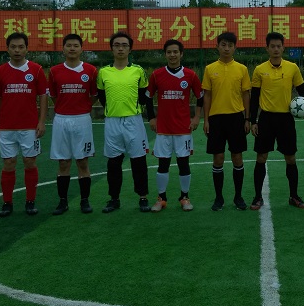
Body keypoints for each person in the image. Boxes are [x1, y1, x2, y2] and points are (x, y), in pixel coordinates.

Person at [249, 32, 304, 210]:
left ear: (283, 48)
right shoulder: (259, 69)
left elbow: (302, 89)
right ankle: (257, 197)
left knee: (291, 158)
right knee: (261, 157)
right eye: (272, 46)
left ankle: (294, 196)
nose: (276, 49)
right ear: (267, 48)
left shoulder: (292, 68)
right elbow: (254, 97)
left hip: (286, 119)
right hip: (266, 118)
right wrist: (253, 120)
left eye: (279, 46)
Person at [0, 32, 49, 217]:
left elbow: (43, 97)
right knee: (9, 164)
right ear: (7, 49)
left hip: (30, 127)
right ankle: (7, 203)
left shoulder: (36, 70)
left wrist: (41, 122)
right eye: (13, 47)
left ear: (27, 49)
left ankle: (30, 202)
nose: (17, 50)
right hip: (6, 128)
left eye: (21, 47)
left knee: (30, 162)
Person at [97, 31, 154, 213]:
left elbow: (144, 96)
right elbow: (102, 96)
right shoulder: (103, 72)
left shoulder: (138, 71)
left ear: (130, 49)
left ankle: (143, 197)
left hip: (133, 121)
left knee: (138, 160)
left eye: (124, 45)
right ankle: (114, 199)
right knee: (114, 162)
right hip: (112, 122)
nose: (120, 48)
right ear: (111, 48)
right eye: (117, 45)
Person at [145, 39, 203, 212]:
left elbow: (200, 97)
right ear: (165, 54)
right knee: (163, 164)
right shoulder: (157, 75)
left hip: (183, 128)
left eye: (175, 52)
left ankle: (184, 197)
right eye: (169, 52)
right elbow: (148, 97)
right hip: (163, 128)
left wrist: (196, 117)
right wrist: (151, 118)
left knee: (183, 163)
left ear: (181, 54)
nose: (172, 55)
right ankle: (161, 198)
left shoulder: (190, 75)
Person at [48, 34, 98, 215]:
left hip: (82, 119)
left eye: (75, 45)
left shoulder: (91, 70)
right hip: (61, 119)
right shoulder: (54, 71)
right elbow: (54, 96)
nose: (72, 48)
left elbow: (94, 95)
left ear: (81, 49)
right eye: (68, 45)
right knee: (63, 162)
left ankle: (85, 201)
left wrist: (82, 107)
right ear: (63, 49)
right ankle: (63, 202)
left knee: (83, 161)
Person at [202, 31, 251, 211]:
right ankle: (219, 198)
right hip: (216, 119)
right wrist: (206, 120)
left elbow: (246, 94)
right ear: (217, 46)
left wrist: (247, 118)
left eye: (230, 45)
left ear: (235, 48)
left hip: (236, 117)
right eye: (223, 45)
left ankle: (238, 197)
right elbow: (207, 95)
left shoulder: (242, 69)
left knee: (237, 157)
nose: (227, 48)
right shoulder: (209, 69)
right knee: (218, 158)